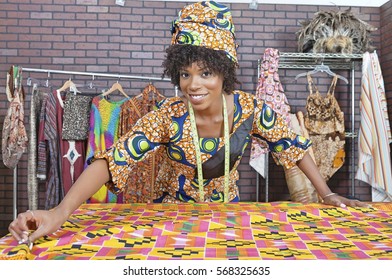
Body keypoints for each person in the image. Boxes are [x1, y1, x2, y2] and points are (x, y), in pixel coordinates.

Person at [8, 0, 368, 246]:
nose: (193, 85)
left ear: (224, 73)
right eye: (185, 73)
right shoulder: (169, 116)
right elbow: (110, 161)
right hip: (169, 218)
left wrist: (326, 193)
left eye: (206, 73)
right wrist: (58, 212)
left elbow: (293, 146)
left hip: (225, 215)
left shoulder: (249, 110)